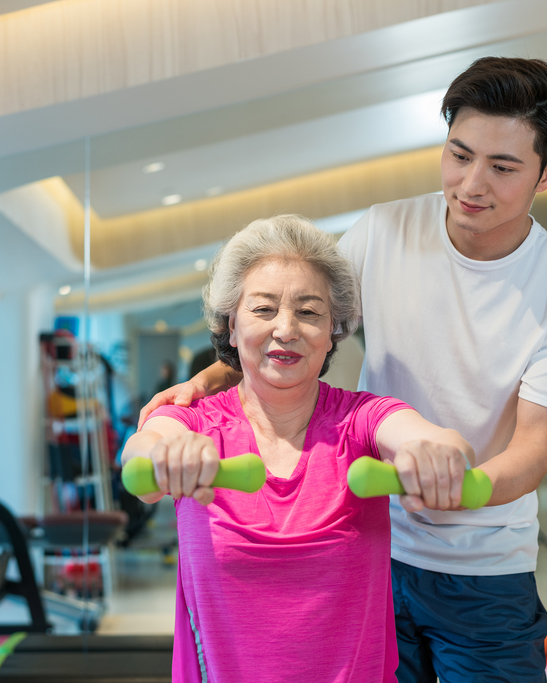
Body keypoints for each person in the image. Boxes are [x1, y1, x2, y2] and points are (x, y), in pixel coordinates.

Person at [140, 57, 547, 682]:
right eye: (459, 154)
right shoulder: (385, 231)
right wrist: (200, 388)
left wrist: (458, 488)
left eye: (501, 168)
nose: (471, 183)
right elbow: (297, 324)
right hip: (375, 549)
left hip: (485, 566)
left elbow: (534, 449)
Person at [124, 215, 478, 683]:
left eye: (309, 312)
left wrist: (439, 452)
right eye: (264, 310)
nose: (286, 329)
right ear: (231, 327)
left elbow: (425, 436)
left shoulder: (361, 420)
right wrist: (164, 456)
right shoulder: (193, 420)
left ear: (333, 330)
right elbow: (143, 454)